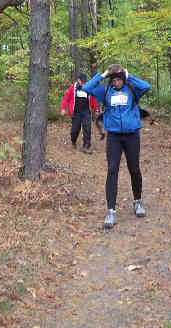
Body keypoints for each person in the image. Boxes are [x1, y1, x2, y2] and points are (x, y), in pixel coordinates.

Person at [82, 64, 150, 229]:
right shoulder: (105, 91)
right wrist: (102, 75)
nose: (117, 83)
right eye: (114, 80)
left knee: (134, 169)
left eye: (119, 79)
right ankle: (111, 211)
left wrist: (129, 75)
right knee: (112, 170)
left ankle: (137, 201)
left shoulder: (132, 89)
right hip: (113, 137)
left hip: (132, 135)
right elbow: (86, 87)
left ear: (123, 79)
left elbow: (146, 86)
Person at [60, 72, 98, 153]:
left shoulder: (89, 88)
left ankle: (86, 146)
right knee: (75, 130)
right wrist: (63, 108)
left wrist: (96, 109)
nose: (84, 83)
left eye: (85, 82)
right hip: (76, 112)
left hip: (86, 112)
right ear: (78, 80)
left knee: (87, 129)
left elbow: (93, 99)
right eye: (82, 82)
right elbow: (66, 98)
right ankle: (73, 141)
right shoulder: (72, 88)